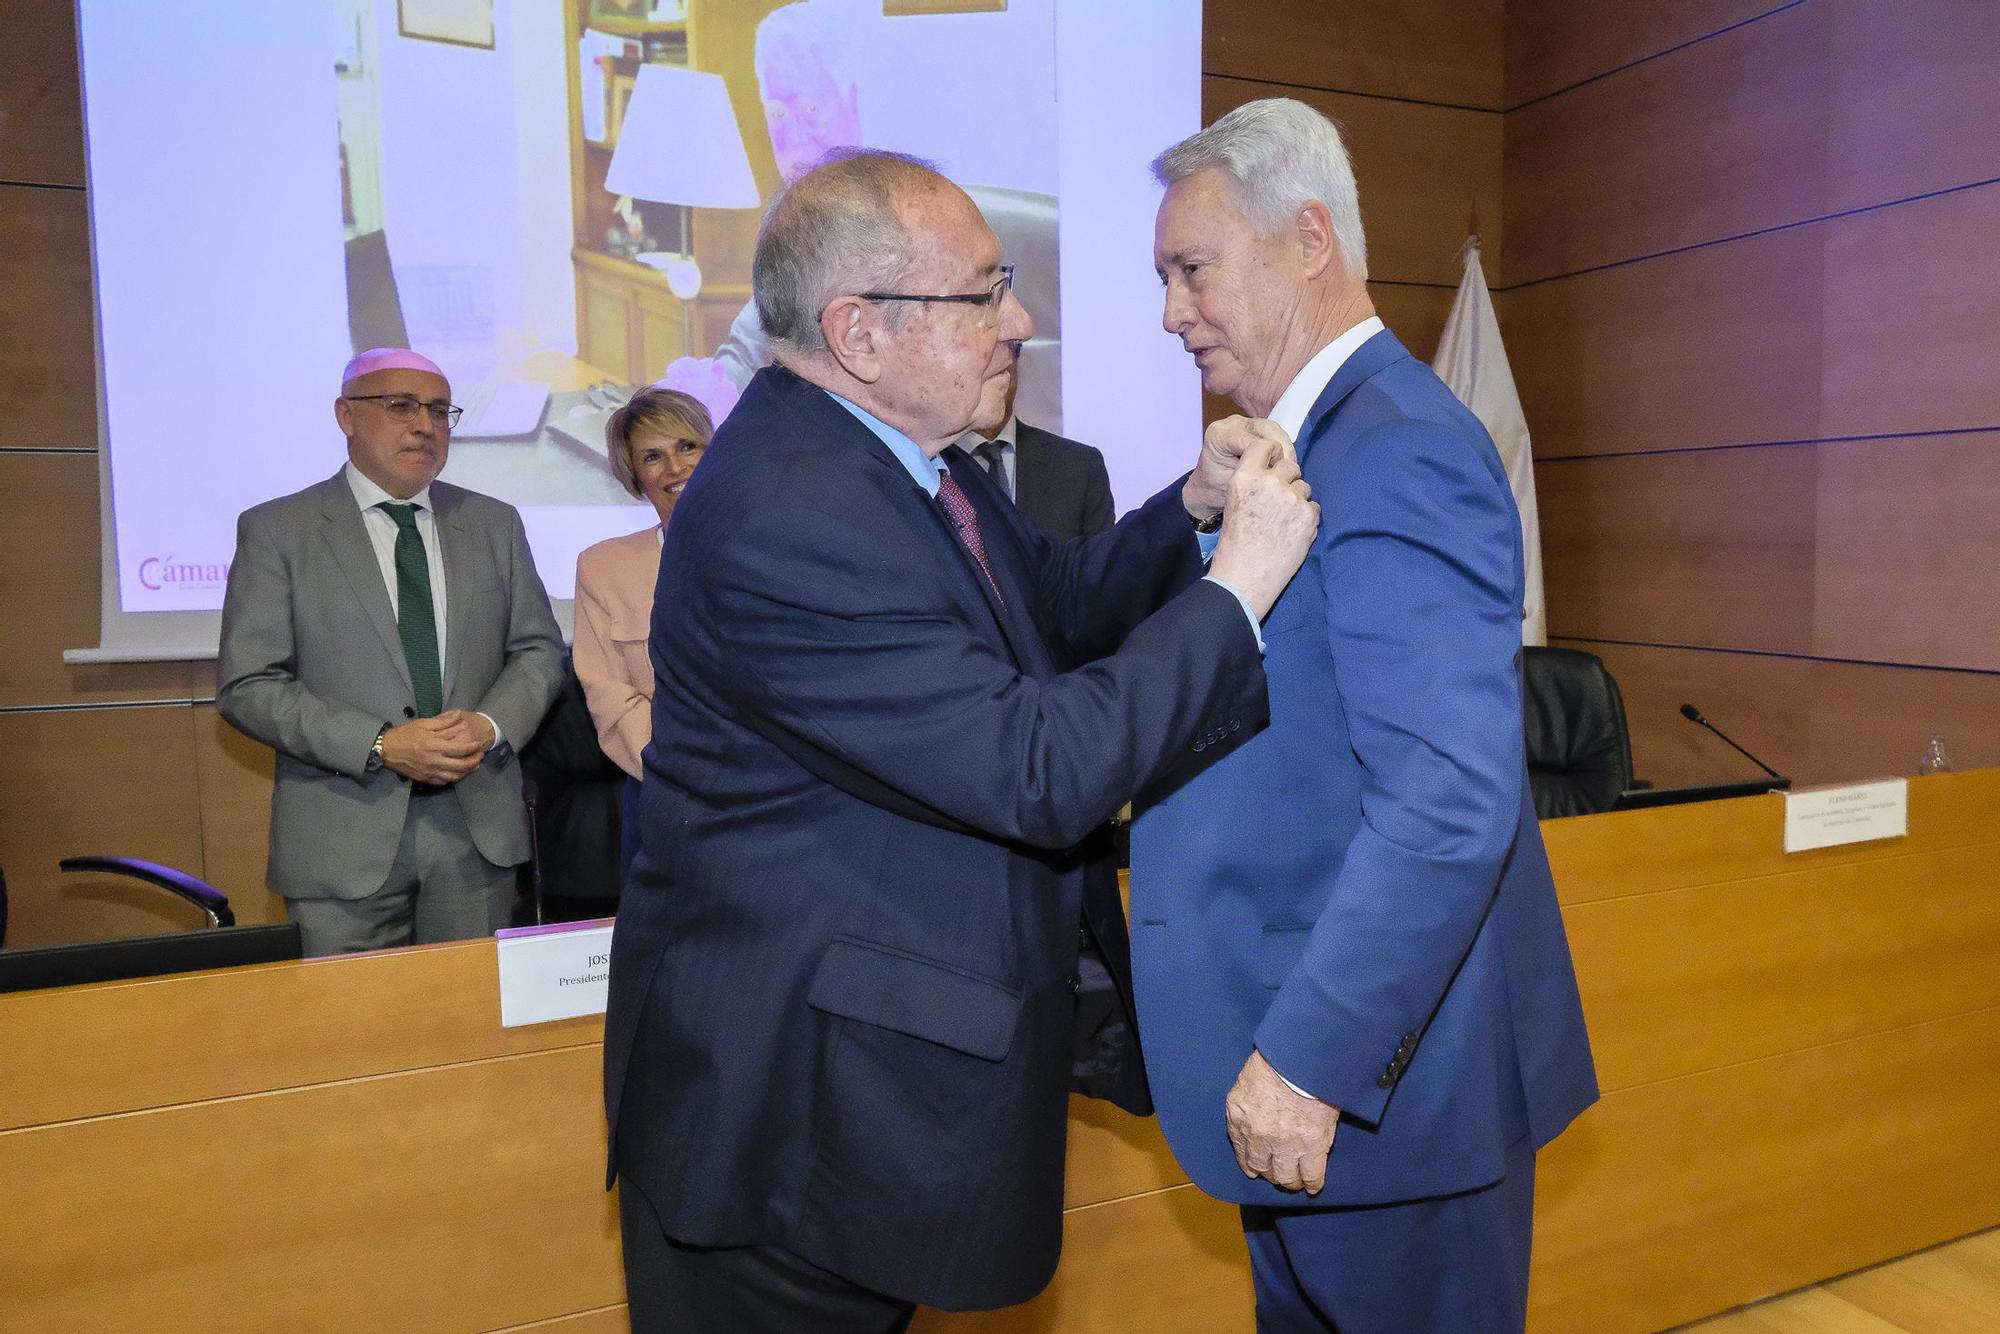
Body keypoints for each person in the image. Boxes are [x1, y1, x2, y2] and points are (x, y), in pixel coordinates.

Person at [603, 148, 1319, 1332]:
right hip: (788, 1123)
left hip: (858, 1086)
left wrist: (1188, 509)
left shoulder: (888, 455)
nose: (1018, 321)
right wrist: (1235, 591)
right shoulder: (789, 511)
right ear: (859, 331)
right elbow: (1036, 766)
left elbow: (1051, 594)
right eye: (982, 293)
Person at [1129, 99, 1600, 1333]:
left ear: (1306, 240)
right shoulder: (1309, 443)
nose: (1172, 310)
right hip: (1327, 1085)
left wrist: (1309, 1058)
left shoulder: (1397, 447)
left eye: (1192, 269)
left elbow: (1447, 800)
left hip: (1378, 1088)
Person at [216, 348, 564, 956]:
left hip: (474, 834)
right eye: (399, 405)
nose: (424, 424)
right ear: (346, 415)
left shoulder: (494, 523)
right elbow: (250, 685)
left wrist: (488, 725)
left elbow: (537, 649)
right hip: (341, 840)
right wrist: (379, 743)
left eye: (438, 410)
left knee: (472, 1034)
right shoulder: (278, 530)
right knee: (351, 1040)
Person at [570, 387, 713, 872]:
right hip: (665, 793)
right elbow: (609, 694)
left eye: (688, 446)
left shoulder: (781, 548)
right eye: (653, 456)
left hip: (783, 792)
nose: (675, 467)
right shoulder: (603, 567)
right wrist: (684, 770)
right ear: (635, 478)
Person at [952, 347, 1114, 539]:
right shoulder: (926, 464)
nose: (993, 370)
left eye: (1001, 349)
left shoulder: (1080, 466)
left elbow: (1100, 563)